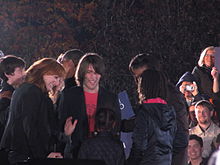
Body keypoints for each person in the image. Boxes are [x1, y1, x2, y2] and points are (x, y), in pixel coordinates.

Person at [0, 58, 77, 164]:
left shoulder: (29, 90)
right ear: (43, 72)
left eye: (59, 79)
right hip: (23, 156)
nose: (56, 82)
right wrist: (42, 156)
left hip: (21, 155)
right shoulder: (32, 91)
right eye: (55, 77)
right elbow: (30, 127)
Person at [128, 53, 188, 165]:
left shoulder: (170, 97)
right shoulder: (159, 98)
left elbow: (180, 135)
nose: (138, 82)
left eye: (141, 77)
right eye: (136, 77)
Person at [58, 53, 121, 158]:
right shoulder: (69, 96)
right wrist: (66, 135)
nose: (93, 77)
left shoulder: (110, 98)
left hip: (103, 154)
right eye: (89, 72)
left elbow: (116, 127)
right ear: (82, 73)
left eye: (97, 73)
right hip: (75, 153)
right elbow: (60, 127)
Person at [128, 69, 176, 165]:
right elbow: (178, 141)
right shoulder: (171, 111)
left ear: (143, 87)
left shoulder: (144, 112)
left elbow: (139, 146)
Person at [0, 55, 26, 141]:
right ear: (8, 74)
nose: (24, 73)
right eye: (20, 70)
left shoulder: (11, 91)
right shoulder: (7, 96)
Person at [192, 46, 220, 119]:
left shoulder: (218, 71)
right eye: (207, 55)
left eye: (213, 56)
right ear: (203, 57)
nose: (209, 58)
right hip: (202, 102)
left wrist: (215, 78)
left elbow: (216, 94)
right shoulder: (197, 71)